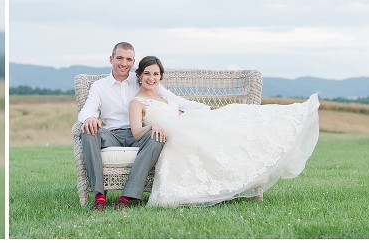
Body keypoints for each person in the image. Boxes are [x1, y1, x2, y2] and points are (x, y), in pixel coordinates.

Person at [128, 56, 320, 207]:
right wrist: (153, 125)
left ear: (160, 77)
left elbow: (182, 110)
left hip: (184, 124)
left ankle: (291, 115)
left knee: (231, 117)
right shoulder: (137, 102)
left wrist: (206, 111)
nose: (151, 78)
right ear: (139, 75)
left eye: (155, 74)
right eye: (147, 74)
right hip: (171, 134)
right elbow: (137, 133)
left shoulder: (166, 98)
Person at [78, 42, 211, 211]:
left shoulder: (143, 78)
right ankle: (99, 196)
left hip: (140, 134)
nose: (123, 63)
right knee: (88, 131)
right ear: (111, 59)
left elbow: (177, 101)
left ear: (133, 62)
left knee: (158, 136)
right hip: (112, 134)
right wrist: (89, 118)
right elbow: (87, 110)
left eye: (128, 59)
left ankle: (126, 196)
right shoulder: (99, 86)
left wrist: (207, 108)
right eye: (119, 58)